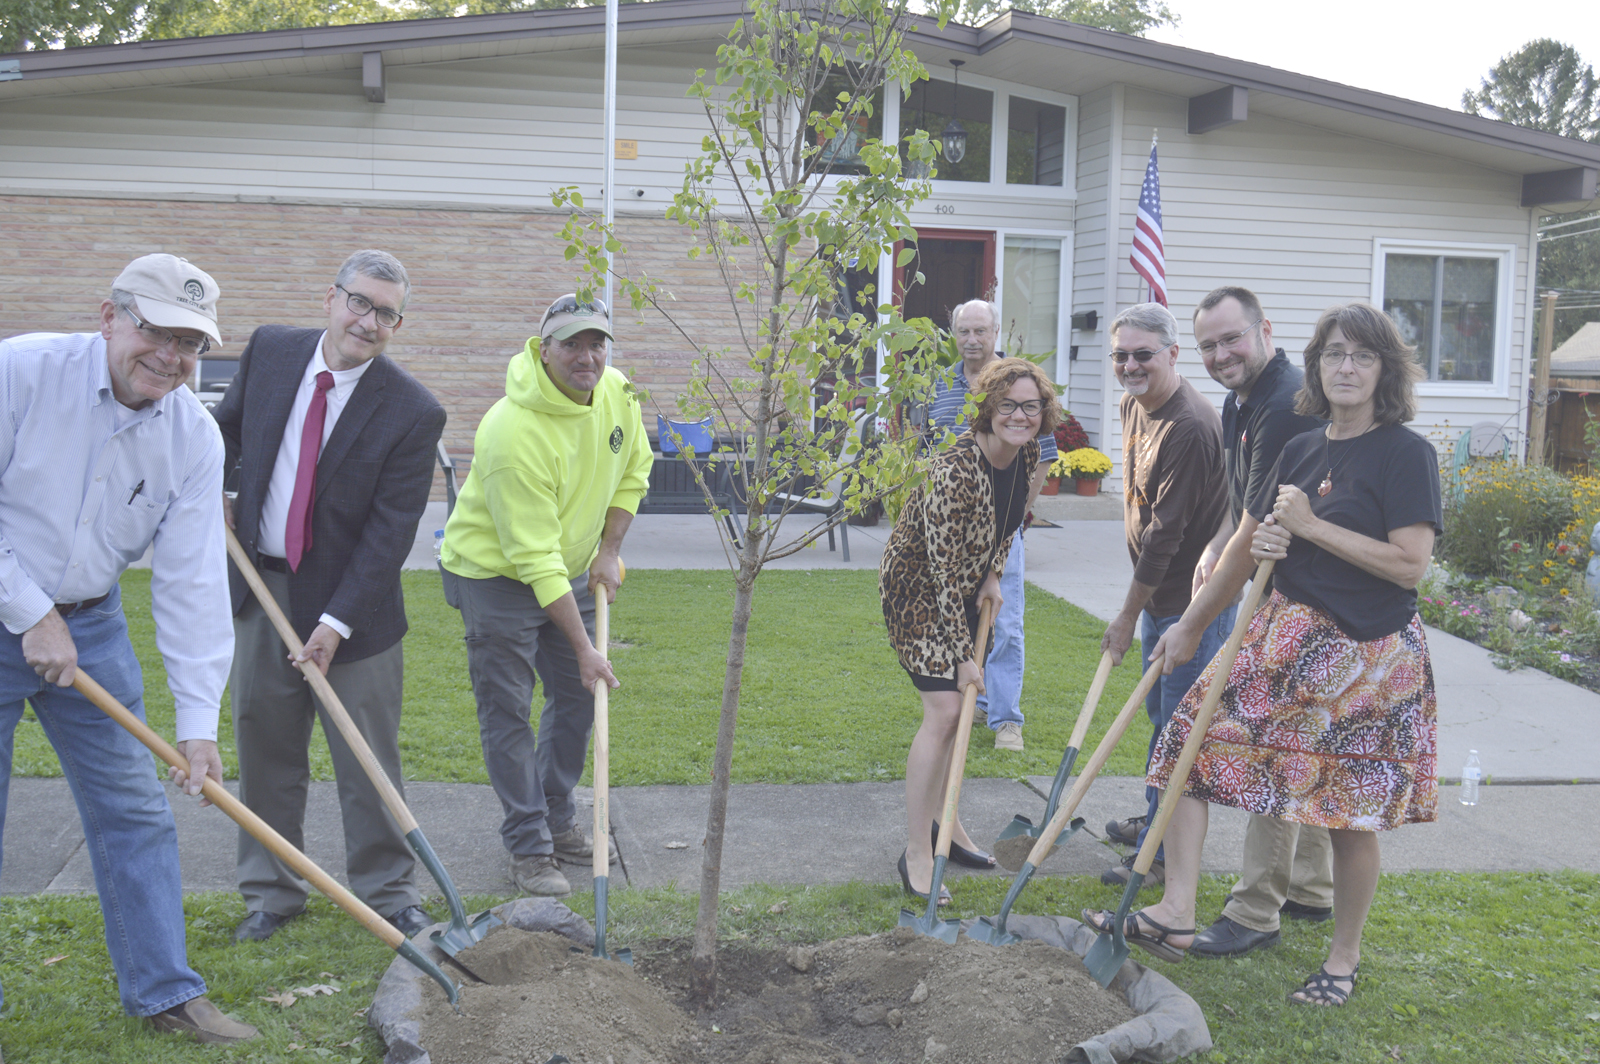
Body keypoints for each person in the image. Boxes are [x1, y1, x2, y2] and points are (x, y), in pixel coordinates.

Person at [1085, 302, 1441, 1008]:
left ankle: (1341, 960)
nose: (1345, 367)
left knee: (1345, 815)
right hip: (1285, 638)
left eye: (1362, 357)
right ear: (1315, 363)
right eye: (1334, 354)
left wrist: (1311, 529)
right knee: (1185, 741)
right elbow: (1249, 539)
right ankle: (1176, 913)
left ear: (1385, 371)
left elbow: (1410, 564)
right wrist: (1193, 621)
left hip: (1365, 658)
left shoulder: (1406, 453)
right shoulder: (1303, 448)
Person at [0, 254, 258, 1043]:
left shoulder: (193, 436)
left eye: (191, 343)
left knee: (135, 809)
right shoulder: (20, 373)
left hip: (93, 624)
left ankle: (164, 993)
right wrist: (29, 609)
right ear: (109, 315)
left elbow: (190, 585)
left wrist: (198, 723)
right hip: (11, 603)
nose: (171, 357)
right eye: (155, 330)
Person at [212, 249, 446, 943]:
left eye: (386, 314)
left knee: (365, 759)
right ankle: (272, 892)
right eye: (360, 303)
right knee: (266, 746)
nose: (368, 322)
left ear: (398, 325)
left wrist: (336, 623)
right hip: (264, 590)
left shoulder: (412, 411)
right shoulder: (271, 352)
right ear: (331, 297)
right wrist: (223, 491)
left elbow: (388, 536)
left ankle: (388, 889)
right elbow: (222, 435)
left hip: (356, 610)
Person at [1139, 286, 1335, 957]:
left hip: (1312, 599)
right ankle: (1311, 886)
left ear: (1265, 330)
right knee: (1302, 741)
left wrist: (1192, 623)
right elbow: (1238, 504)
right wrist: (1213, 547)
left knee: (1274, 750)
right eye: (1208, 346)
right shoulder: (1240, 403)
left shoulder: (1285, 404)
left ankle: (1256, 909)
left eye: (1231, 339)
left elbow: (1257, 532)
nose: (1221, 355)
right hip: (1288, 591)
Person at [441, 294, 651, 898]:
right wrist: (585, 646)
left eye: (596, 343)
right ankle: (528, 843)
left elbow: (634, 469)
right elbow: (532, 557)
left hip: (573, 565)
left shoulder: (618, 392)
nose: (587, 356)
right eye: (571, 344)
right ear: (543, 349)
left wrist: (609, 549)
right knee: (508, 706)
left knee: (577, 700)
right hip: (494, 575)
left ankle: (557, 813)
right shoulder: (511, 431)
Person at [882, 358, 1062, 900]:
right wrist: (964, 655)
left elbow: (1012, 521)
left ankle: (949, 826)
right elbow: (936, 568)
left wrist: (991, 573)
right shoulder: (955, 469)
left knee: (959, 712)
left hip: (965, 584)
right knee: (945, 712)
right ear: (988, 407)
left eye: (1030, 406)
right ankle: (916, 850)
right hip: (918, 593)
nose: (1020, 416)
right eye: (1008, 405)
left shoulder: (1027, 453)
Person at [1099, 302, 1231, 889]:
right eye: (1121, 355)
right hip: (1160, 599)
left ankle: (1157, 857)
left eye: (1143, 355)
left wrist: (1127, 614)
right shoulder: (1135, 404)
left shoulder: (1191, 426)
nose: (1130, 365)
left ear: (1174, 355)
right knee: (1159, 716)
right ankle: (1156, 818)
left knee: (1178, 730)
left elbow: (1165, 536)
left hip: (1191, 605)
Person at [925, 300, 1057, 752]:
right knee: (955, 615)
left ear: (996, 332)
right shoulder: (940, 386)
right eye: (964, 331)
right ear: (954, 334)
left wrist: (1016, 516)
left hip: (1001, 528)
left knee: (1006, 622)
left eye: (981, 331)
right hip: (952, 528)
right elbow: (930, 452)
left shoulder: (1018, 382)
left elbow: (1044, 455)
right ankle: (968, 701)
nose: (972, 340)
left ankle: (1006, 720)